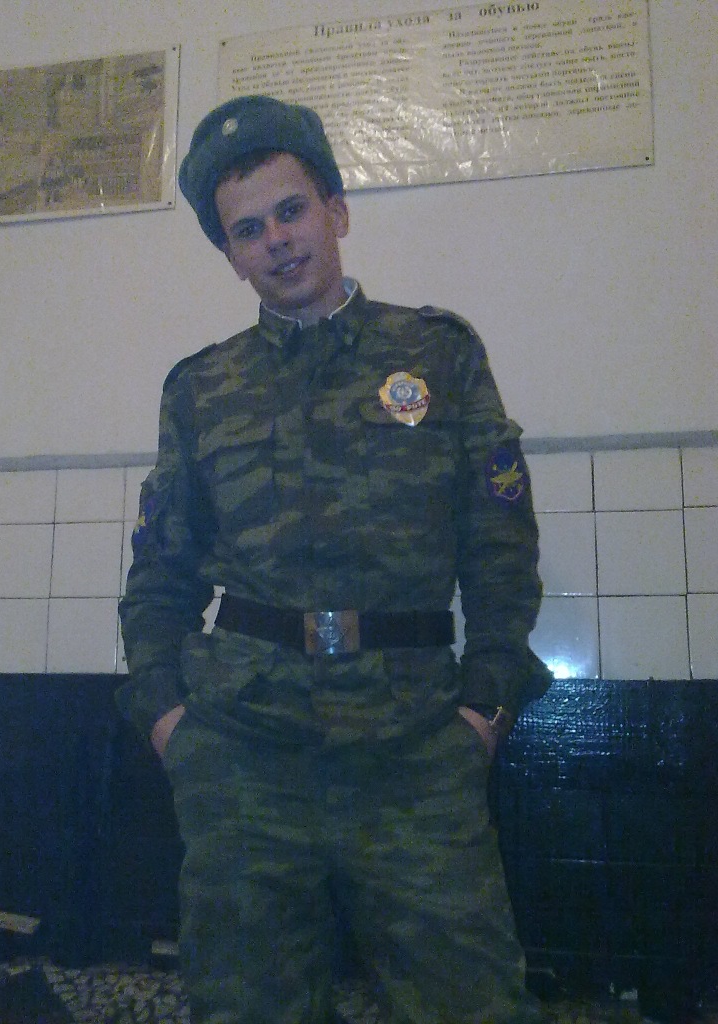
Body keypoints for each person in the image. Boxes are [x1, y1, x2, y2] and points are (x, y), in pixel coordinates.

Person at [118, 94, 551, 1024]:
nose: (276, 240)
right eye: (248, 230)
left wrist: (484, 710)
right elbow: (160, 573)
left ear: (336, 211)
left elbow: (501, 548)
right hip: (243, 756)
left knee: (471, 1004)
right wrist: (166, 718)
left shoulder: (438, 355)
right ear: (231, 255)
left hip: (414, 751)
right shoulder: (200, 389)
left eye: (291, 211)